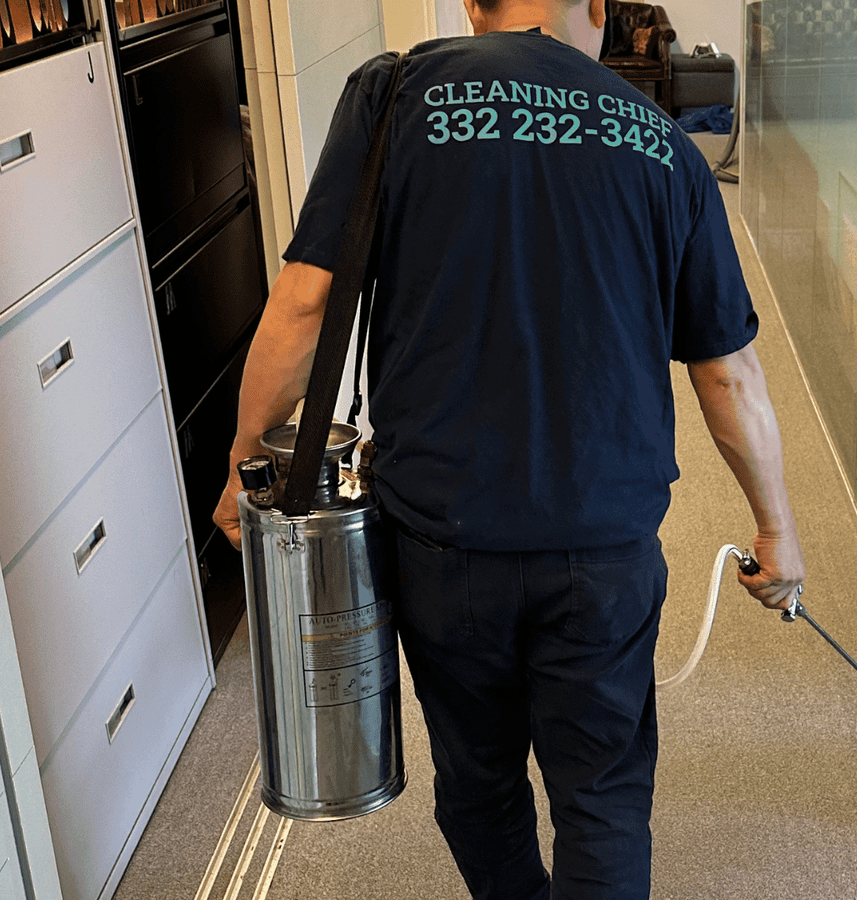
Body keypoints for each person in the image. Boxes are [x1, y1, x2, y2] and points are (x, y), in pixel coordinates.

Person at [211, 0, 806, 895]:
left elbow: (303, 306)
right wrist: (778, 532)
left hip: (444, 541)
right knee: (602, 797)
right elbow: (729, 374)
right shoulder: (663, 142)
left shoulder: (395, 94)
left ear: (469, 2)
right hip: (604, 545)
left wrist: (245, 461)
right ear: (597, 11)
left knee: (478, 785)